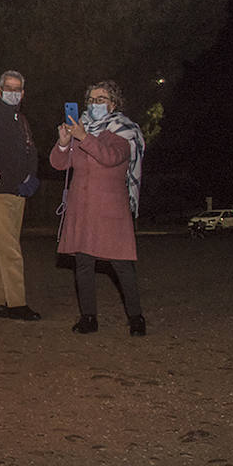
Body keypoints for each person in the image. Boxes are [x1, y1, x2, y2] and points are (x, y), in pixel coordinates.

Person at [51, 80, 147, 336]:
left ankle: (136, 318)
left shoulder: (124, 132)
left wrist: (84, 137)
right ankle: (88, 318)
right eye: (91, 100)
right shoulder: (79, 128)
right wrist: (63, 143)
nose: (95, 104)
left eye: (101, 99)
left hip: (110, 209)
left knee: (122, 265)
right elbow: (59, 164)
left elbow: (110, 158)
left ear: (113, 104)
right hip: (81, 207)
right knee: (83, 263)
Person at [0, 70, 41, 320]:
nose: (13, 93)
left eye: (18, 89)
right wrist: (12, 181)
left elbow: (29, 150)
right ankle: (16, 303)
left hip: (18, 191)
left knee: (4, 246)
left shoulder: (20, 119)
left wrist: (31, 176)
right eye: (8, 88)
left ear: (23, 93)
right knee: (11, 248)